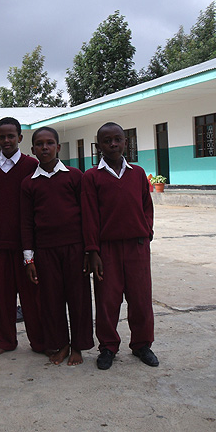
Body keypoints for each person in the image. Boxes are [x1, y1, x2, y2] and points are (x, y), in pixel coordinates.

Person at [82, 122, 158, 370]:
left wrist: (147, 231)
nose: (113, 144)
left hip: (137, 247)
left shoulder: (137, 173)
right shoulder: (92, 177)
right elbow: (89, 216)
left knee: (141, 298)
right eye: (107, 141)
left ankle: (142, 345)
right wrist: (93, 250)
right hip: (107, 250)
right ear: (99, 145)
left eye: (118, 139)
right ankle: (108, 347)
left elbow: (147, 205)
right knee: (107, 300)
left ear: (126, 142)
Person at [20, 127, 94, 366]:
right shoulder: (29, 184)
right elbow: (26, 223)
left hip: (74, 248)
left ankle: (78, 347)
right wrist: (29, 260)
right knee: (51, 301)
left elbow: (86, 215)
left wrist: (88, 251)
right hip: (45, 251)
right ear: (32, 151)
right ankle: (60, 344)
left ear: (58, 147)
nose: (45, 147)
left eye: (50, 143)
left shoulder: (75, 176)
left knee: (79, 299)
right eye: (39, 144)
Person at [0, 117, 43, 356]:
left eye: (11, 136)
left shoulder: (31, 165)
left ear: (20, 137)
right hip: (1, 243)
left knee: (32, 297)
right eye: (2, 136)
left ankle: (39, 342)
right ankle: (4, 341)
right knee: (3, 297)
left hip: (28, 245)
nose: (6, 140)